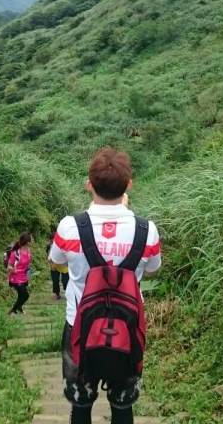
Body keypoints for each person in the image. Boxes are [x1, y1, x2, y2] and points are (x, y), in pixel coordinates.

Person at [48, 149, 161, 424]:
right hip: (127, 329)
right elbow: (153, 269)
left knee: (81, 404)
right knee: (123, 407)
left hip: (79, 328)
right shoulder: (147, 230)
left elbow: (55, 261)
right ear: (128, 186)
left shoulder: (69, 227)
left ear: (89, 184)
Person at [6, 232, 32, 315]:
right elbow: (8, 267)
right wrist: (12, 269)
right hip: (15, 278)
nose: (33, 240)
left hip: (24, 276)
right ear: (28, 242)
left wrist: (28, 276)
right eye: (31, 239)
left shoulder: (28, 250)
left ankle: (19, 308)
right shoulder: (15, 254)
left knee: (21, 295)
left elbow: (27, 265)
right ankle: (12, 311)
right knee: (25, 295)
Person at [46, 233, 70, 299]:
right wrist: (51, 264)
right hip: (54, 265)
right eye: (51, 241)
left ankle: (68, 292)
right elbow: (48, 256)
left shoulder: (65, 245)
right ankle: (57, 293)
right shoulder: (50, 246)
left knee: (65, 281)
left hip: (64, 265)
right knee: (55, 280)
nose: (53, 242)